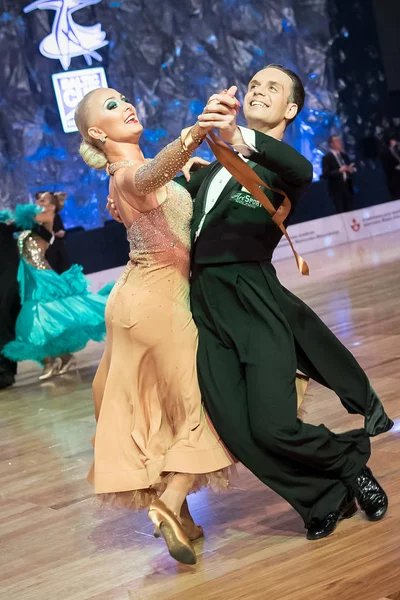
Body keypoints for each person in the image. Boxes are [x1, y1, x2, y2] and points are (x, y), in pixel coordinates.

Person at [109, 65, 392, 541]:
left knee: (273, 425)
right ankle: (320, 498)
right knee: (238, 431)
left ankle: (349, 460)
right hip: (205, 306)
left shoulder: (283, 168)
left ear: (291, 109)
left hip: (253, 299)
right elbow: (160, 201)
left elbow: (300, 169)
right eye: (255, 84)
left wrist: (236, 134)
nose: (260, 89)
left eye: (272, 88)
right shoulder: (214, 166)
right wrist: (123, 200)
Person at [74, 87, 235, 566]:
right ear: (97, 134)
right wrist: (197, 132)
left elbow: (161, 181)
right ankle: (167, 502)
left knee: (162, 409)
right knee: (196, 401)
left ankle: (182, 520)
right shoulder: (126, 174)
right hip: (157, 303)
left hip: (137, 300)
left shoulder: (129, 178)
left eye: (124, 97)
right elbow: (149, 175)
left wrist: (190, 168)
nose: (125, 103)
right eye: (110, 105)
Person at [2, 195, 110, 381]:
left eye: (43, 202)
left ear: (52, 207)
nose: (39, 204)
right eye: (39, 202)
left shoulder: (47, 219)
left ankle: (53, 361)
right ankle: (61, 358)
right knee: (35, 319)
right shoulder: (32, 224)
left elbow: (25, 220)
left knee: (44, 316)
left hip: (42, 275)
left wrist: (10, 221)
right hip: (28, 276)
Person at [0, 212, 53, 388]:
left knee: (11, 321)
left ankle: (6, 371)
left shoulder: (4, 223)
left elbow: (40, 229)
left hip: (9, 280)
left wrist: (46, 233)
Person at [35, 191, 71, 274]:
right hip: (46, 252)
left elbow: (61, 230)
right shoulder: (37, 218)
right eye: (41, 199)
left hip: (58, 248)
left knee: (65, 272)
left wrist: (61, 233)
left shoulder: (54, 215)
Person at [321, 134, 356, 213]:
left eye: (339, 140)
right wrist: (339, 171)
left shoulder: (344, 156)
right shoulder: (327, 158)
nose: (340, 142)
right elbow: (326, 174)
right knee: (341, 210)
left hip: (348, 187)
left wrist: (350, 170)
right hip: (337, 189)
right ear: (331, 144)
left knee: (350, 210)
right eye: (337, 141)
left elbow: (351, 167)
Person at [380, 132, 400, 200]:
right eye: (394, 139)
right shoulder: (385, 153)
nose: (396, 141)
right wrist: (397, 167)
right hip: (394, 180)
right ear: (390, 141)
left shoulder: (397, 150)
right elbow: (387, 168)